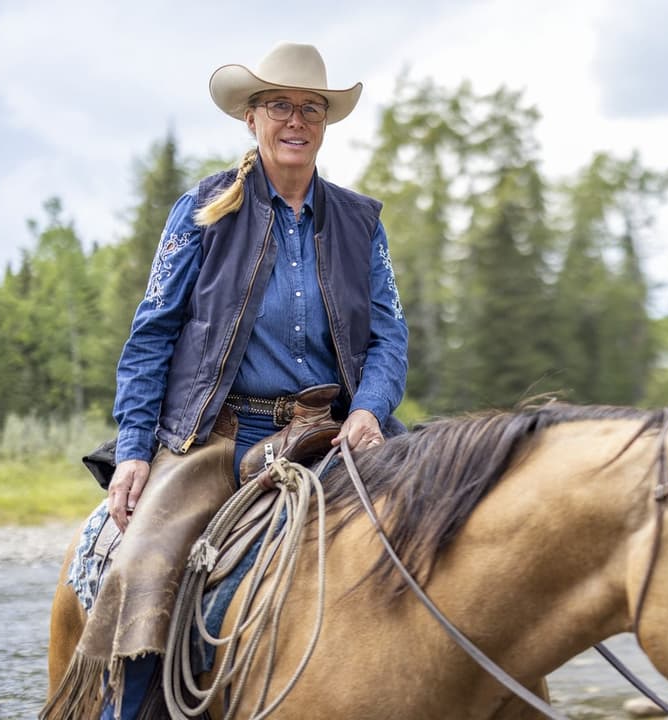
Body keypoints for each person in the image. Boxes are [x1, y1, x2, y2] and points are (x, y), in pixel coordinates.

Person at [43, 42, 408, 720]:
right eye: (279, 106)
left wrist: (373, 410)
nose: (294, 121)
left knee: (440, 529)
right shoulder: (202, 210)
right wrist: (132, 451)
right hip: (218, 435)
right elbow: (151, 335)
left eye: (310, 108)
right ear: (251, 117)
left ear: (325, 123)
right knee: (145, 571)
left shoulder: (361, 224)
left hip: (336, 431)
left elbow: (389, 335)